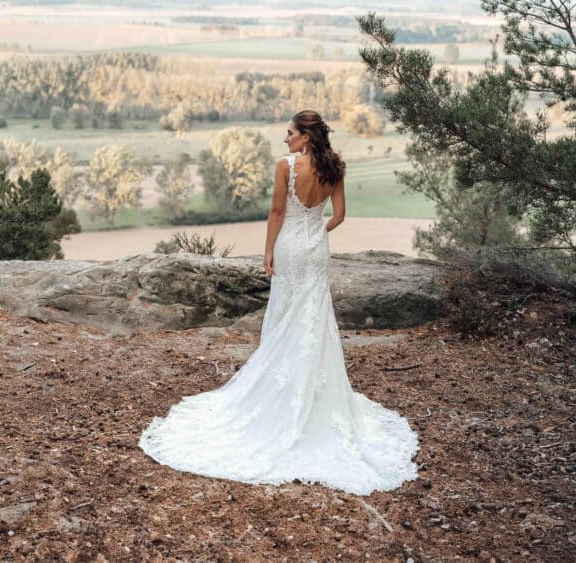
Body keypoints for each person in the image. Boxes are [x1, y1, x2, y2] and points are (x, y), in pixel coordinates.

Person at [139, 110, 418, 495]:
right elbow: (339, 216)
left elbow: (276, 212)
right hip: (316, 249)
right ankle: (314, 394)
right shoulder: (335, 166)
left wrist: (267, 251)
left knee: (286, 314)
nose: (285, 140)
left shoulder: (286, 166)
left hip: (289, 248)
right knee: (313, 318)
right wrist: (316, 230)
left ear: (305, 137)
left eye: (290, 133)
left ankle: (283, 394)